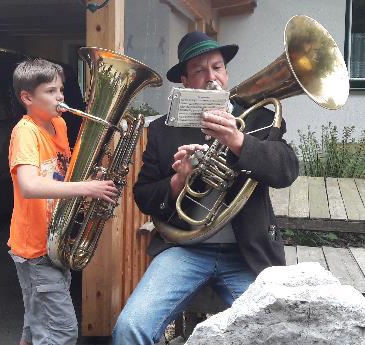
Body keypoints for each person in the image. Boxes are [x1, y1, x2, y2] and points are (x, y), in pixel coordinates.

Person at [112, 31, 299, 344]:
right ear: (185, 80)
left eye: (217, 67)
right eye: (199, 70)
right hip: (185, 250)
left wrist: (239, 143)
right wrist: (178, 180)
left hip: (246, 252)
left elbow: (286, 170)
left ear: (226, 74)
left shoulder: (258, 119)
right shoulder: (161, 129)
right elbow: (144, 196)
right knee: (130, 327)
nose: (211, 77)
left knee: (275, 335)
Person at [8, 58, 118, 345]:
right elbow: (29, 186)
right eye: (51, 91)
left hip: (55, 239)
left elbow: (60, 175)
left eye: (61, 90)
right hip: (35, 248)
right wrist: (87, 188)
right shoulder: (25, 132)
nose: (60, 97)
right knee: (61, 332)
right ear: (28, 98)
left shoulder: (58, 125)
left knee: (36, 325)